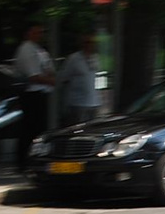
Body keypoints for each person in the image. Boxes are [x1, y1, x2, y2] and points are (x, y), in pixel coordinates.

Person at [11, 22, 54, 173]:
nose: (40, 36)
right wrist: (52, 81)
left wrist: (50, 78)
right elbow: (34, 76)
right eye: (36, 33)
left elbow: (49, 70)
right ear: (28, 34)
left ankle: (35, 161)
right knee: (30, 129)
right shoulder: (27, 49)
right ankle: (24, 163)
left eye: (41, 32)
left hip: (43, 93)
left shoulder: (40, 50)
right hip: (32, 94)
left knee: (40, 130)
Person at [58, 33, 102, 127]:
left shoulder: (95, 58)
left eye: (92, 43)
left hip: (93, 102)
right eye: (87, 42)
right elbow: (64, 77)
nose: (90, 45)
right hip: (78, 102)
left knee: (91, 129)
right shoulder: (73, 59)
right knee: (77, 128)